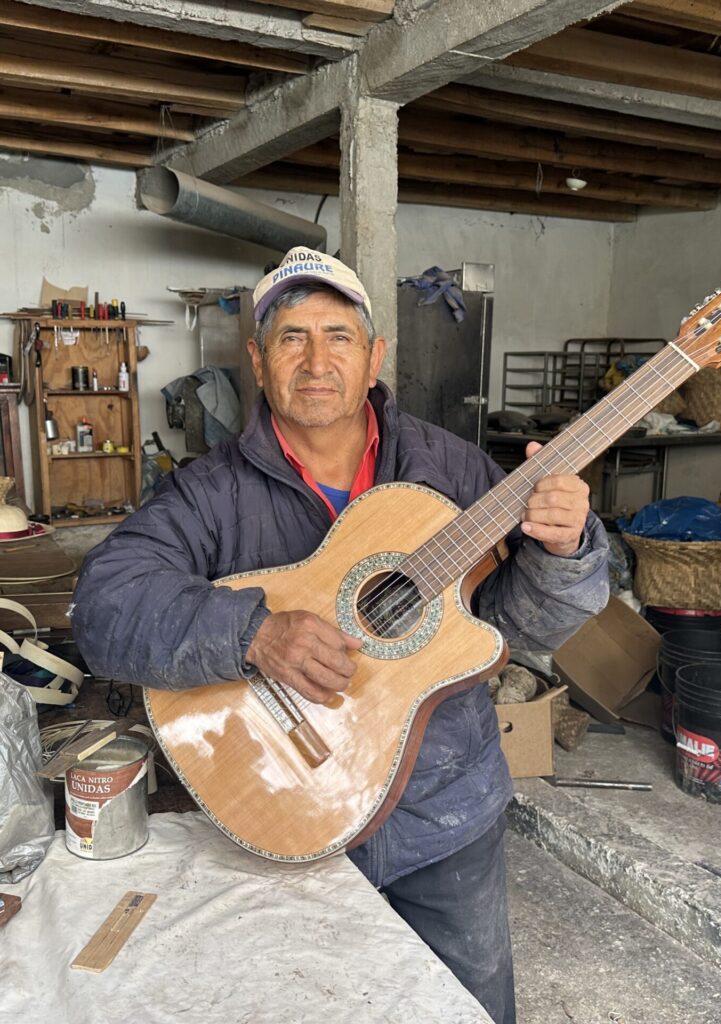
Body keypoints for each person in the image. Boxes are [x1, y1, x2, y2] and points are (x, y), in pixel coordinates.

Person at [72, 247, 609, 1024]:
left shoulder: (454, 469)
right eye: (292, 337)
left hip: (443, 817)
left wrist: (564, 553)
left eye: (339, 336)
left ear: (373, 355)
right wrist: (252, 632)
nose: (317, 360)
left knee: (467, 1007)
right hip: (280, 806)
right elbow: (103, 607)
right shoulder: (210, 491)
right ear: (258, 360)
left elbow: (521, 628)